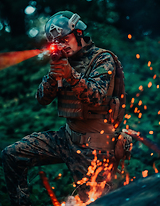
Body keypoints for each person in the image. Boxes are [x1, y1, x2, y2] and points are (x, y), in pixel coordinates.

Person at [2, 11, 130, 206]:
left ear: (79, 33)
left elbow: (96, 98)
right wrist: (53, 76)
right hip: (67, 138)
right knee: (12, 155)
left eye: (65, 39)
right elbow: (42, 99)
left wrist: (70, 75)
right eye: (57, 41)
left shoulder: (102, 59)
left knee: (95, 201)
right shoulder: (63, 61)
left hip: (95, 148)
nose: (62, 45)